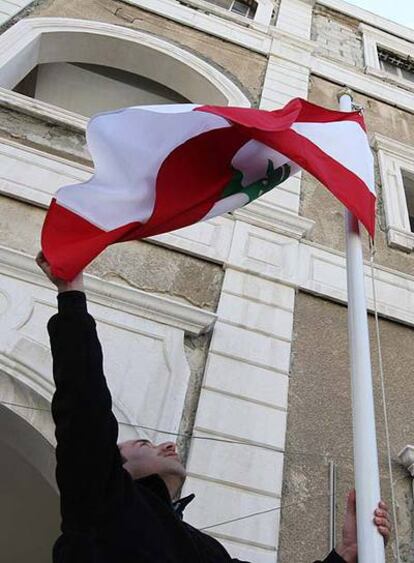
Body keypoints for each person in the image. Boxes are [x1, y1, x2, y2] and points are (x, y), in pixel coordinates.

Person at [36, 252, 391, 563]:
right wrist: (71, 296)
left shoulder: (205, 550)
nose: (169, 445)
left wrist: (346, 554)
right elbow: (85, 407)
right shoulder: (101, 499)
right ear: (114, 466)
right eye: (144, 445)